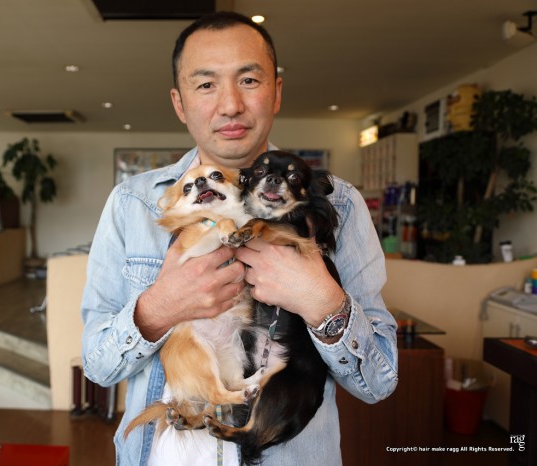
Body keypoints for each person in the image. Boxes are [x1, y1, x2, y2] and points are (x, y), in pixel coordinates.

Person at [81, 11, 398, 466]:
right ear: (179, 102)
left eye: (249, 80)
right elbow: (97, 365)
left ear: (276, 92)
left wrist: (321, 300)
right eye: (206, 84)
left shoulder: (338, 205)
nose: (230, 104)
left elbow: (380, 382)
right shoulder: (133, 204)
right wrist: (159, 308)